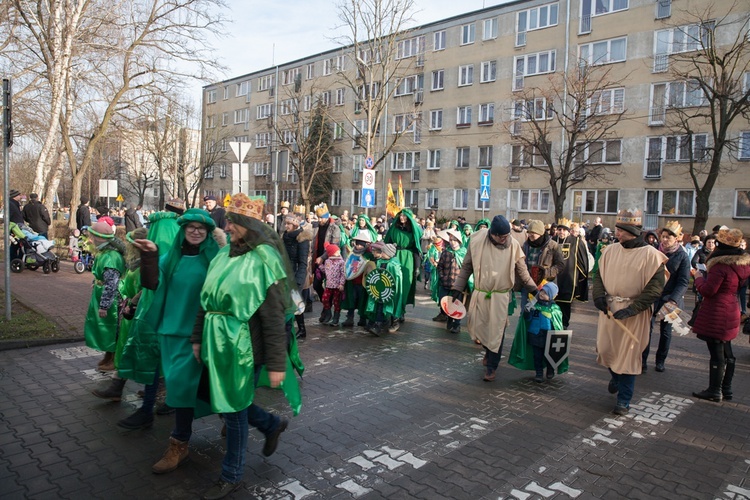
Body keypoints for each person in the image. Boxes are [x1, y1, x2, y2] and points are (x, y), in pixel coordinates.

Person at [191, 193, 301, 499]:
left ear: (247, 225)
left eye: (233, 221)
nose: (227, 225)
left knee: (235, 412)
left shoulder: (263, 260)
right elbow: (206, 299)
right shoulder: (224, 255)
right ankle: (270, 424)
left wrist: (277, 364)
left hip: (245, 349)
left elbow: (273, 317)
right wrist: (198, 338)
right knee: (227, 405)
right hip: (216, 344)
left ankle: (232, 475)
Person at [117, 209, 224, 434]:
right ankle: (250, 419)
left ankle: (180, 441)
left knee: (189, 388)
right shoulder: (171, 257)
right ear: (183, 229)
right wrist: (150, 256)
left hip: (200, 333)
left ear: (208, 231)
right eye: (190, 227)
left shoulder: (217, 259)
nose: (195, 231)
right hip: (171, 332)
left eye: (201, 228)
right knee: (186, 387)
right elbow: (151, 284)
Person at [592, 210, 666, 415]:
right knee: (605, 350)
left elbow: (655, 289)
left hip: (634, 313)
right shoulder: (610, 250)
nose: (617, 234)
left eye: (620, 231)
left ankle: (624, 400)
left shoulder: (651, 255)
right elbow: (598, 275)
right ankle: (616, 379)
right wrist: (598, 296)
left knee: (628, 358)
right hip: (609, 309)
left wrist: (633, 309)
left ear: (632, 232)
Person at [450, 215, 538, 382]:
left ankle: (492, 366)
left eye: (507, 236)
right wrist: (457, 288)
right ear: (493, 234)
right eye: (502, 237)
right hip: (481, 293)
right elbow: (467, 266)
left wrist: (533, 288)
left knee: (497, 332)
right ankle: (488, 350)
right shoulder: (477, 240)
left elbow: (522, 270)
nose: (505, 239)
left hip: (500, 296)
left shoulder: (513, 245)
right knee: (479, 328)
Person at [691, 228, 750, 403]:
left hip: (717, 310)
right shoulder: (741, 264)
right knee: (727, 350)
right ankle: (727, 389)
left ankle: (714, 390)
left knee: (717, 351)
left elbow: (709, 291)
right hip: (731, 308)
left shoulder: (720, 265)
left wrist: (699, 277)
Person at [91, 227, 149, 402]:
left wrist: (131, 304)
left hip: (137, 316)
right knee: (125, 351)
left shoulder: (145, 267)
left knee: (140, 353)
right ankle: (116, 388)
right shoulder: (137, 264)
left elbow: (144, 291)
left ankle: (157, 389)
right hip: (130, 314)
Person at [642, 221, 691, 373]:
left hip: (670, 298)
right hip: (652, 297)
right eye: (663, 236)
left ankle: (660, 361)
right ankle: (642, 361)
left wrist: (674, 299)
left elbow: (683, 281)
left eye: (668, 237)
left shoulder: (682, 256)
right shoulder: (654, 251)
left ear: (676, 239)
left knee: (665, 331)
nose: (664, 240)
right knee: (646, 330)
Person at [83, 220, 126, 373]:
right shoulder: (104, 253)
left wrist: (104, 305)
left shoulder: (111, 257)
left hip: (114, 300)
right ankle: (109, 355)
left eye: (92, 237)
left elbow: (111, 284)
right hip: (103, 295)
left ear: (100, 238)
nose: (90, 240)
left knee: (113, 328)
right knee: (106, 329)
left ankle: (114, 358)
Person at [509, 282, 566, 383]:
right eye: (541, 292)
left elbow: (557, 324)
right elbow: (527, 319)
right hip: (535, 335)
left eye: (546, 293)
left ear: (551, 296)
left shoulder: (554, 309)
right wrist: (527, 312)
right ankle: (539, 373)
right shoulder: (534, 306)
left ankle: (550, 369)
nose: (542, 294)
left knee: (549, 355)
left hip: (549, 336)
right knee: (537, 356)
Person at [383, 208, 423, 323]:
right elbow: (387, 243)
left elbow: (417, 250)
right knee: (391, 284)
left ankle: (401, 310)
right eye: (401, 215)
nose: (402, 218)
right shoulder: (394, 228)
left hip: (408, 259)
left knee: (404, 286)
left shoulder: (413, 231)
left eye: (405, 216)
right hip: (394, 257)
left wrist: (417, 267)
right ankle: (390, 310)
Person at [520, 220, 565, 308]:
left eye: (533, 233)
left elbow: (560, 265)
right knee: (525, 313)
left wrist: (544, 273)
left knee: (543, 313)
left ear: (540, 233)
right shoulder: (525, 245)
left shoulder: (553, 246)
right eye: (528, 232)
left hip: (545, 286)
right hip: (528, 285)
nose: (530, 235)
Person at [554, 218, 589, 329]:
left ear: (569, 231)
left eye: (564, 230)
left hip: (568, 278)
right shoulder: (553, 240)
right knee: (553, 303)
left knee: (565, 303)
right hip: (554, 278)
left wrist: (580, 275)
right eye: (559, 229)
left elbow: (582, 259)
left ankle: (564, 325)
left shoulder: (576, 241)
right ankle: (554, 325)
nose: (561, 232)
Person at [282, 214, 313, 338]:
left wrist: (298, 280)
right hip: (285, 273)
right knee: (287, 302)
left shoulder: (302, 239)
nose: (286, 226)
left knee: (295, 301)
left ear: (295, 225)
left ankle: (301, 329)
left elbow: (303, 262)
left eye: (288, 224)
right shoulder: (285, 236)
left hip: (296, 274)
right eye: (285, 223)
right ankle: (289, 328)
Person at [364, 242, 404, 336]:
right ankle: (376, 323)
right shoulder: (380, 262)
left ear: (389, 254)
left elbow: (395, 280)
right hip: (379, 290)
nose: (381, 254)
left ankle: (379, 325)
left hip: (388, 291)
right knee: (378, 306)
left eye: (383, 253)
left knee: (385, 306)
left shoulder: (394, 265)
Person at [310, 203, 341, 313]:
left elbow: (334, 246)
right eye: (318, 218)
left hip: (330, 262)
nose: (319, 220)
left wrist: (323, 257)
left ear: (327, 216)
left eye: (321, 218)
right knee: (316, 285)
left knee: (330, 287)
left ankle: (327, 309)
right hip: (318, 260)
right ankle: (326, 305)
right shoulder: (316, 227)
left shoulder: (334, 228)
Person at [341, 231, 375, 328]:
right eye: (357, 244)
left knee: (362, 300)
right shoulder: (352, 254)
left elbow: (371, 268)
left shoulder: (368, 256)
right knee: (351, 299)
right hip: (352, 281)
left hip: (362, 283)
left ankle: (362, 319)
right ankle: (350, 318)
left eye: (361, 245)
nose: (358, 247)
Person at [436, 229, 467, 334]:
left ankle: (457, 324)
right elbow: (440, 267)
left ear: (458, 241)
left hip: (458, 285)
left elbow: (466, 269)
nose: (452, 242)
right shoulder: (446, 253)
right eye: (450, 240)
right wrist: (442, 277)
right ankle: (449, 320)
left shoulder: (463, 253)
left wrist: (463, 282)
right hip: (446, 283)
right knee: (447, 305)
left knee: (458, 304)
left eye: (454, 240)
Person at [320, 243, 346, 327]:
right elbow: (325, 270)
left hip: (337, 286)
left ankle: (336, 317)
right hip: (329, 285)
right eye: (336, 251)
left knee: (336, 302)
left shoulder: (341, 262)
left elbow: (343, 273)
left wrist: (342, 284)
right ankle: (328, 314)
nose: (339, 252)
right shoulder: (327, 261)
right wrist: (320, 265)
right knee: (325, 299)